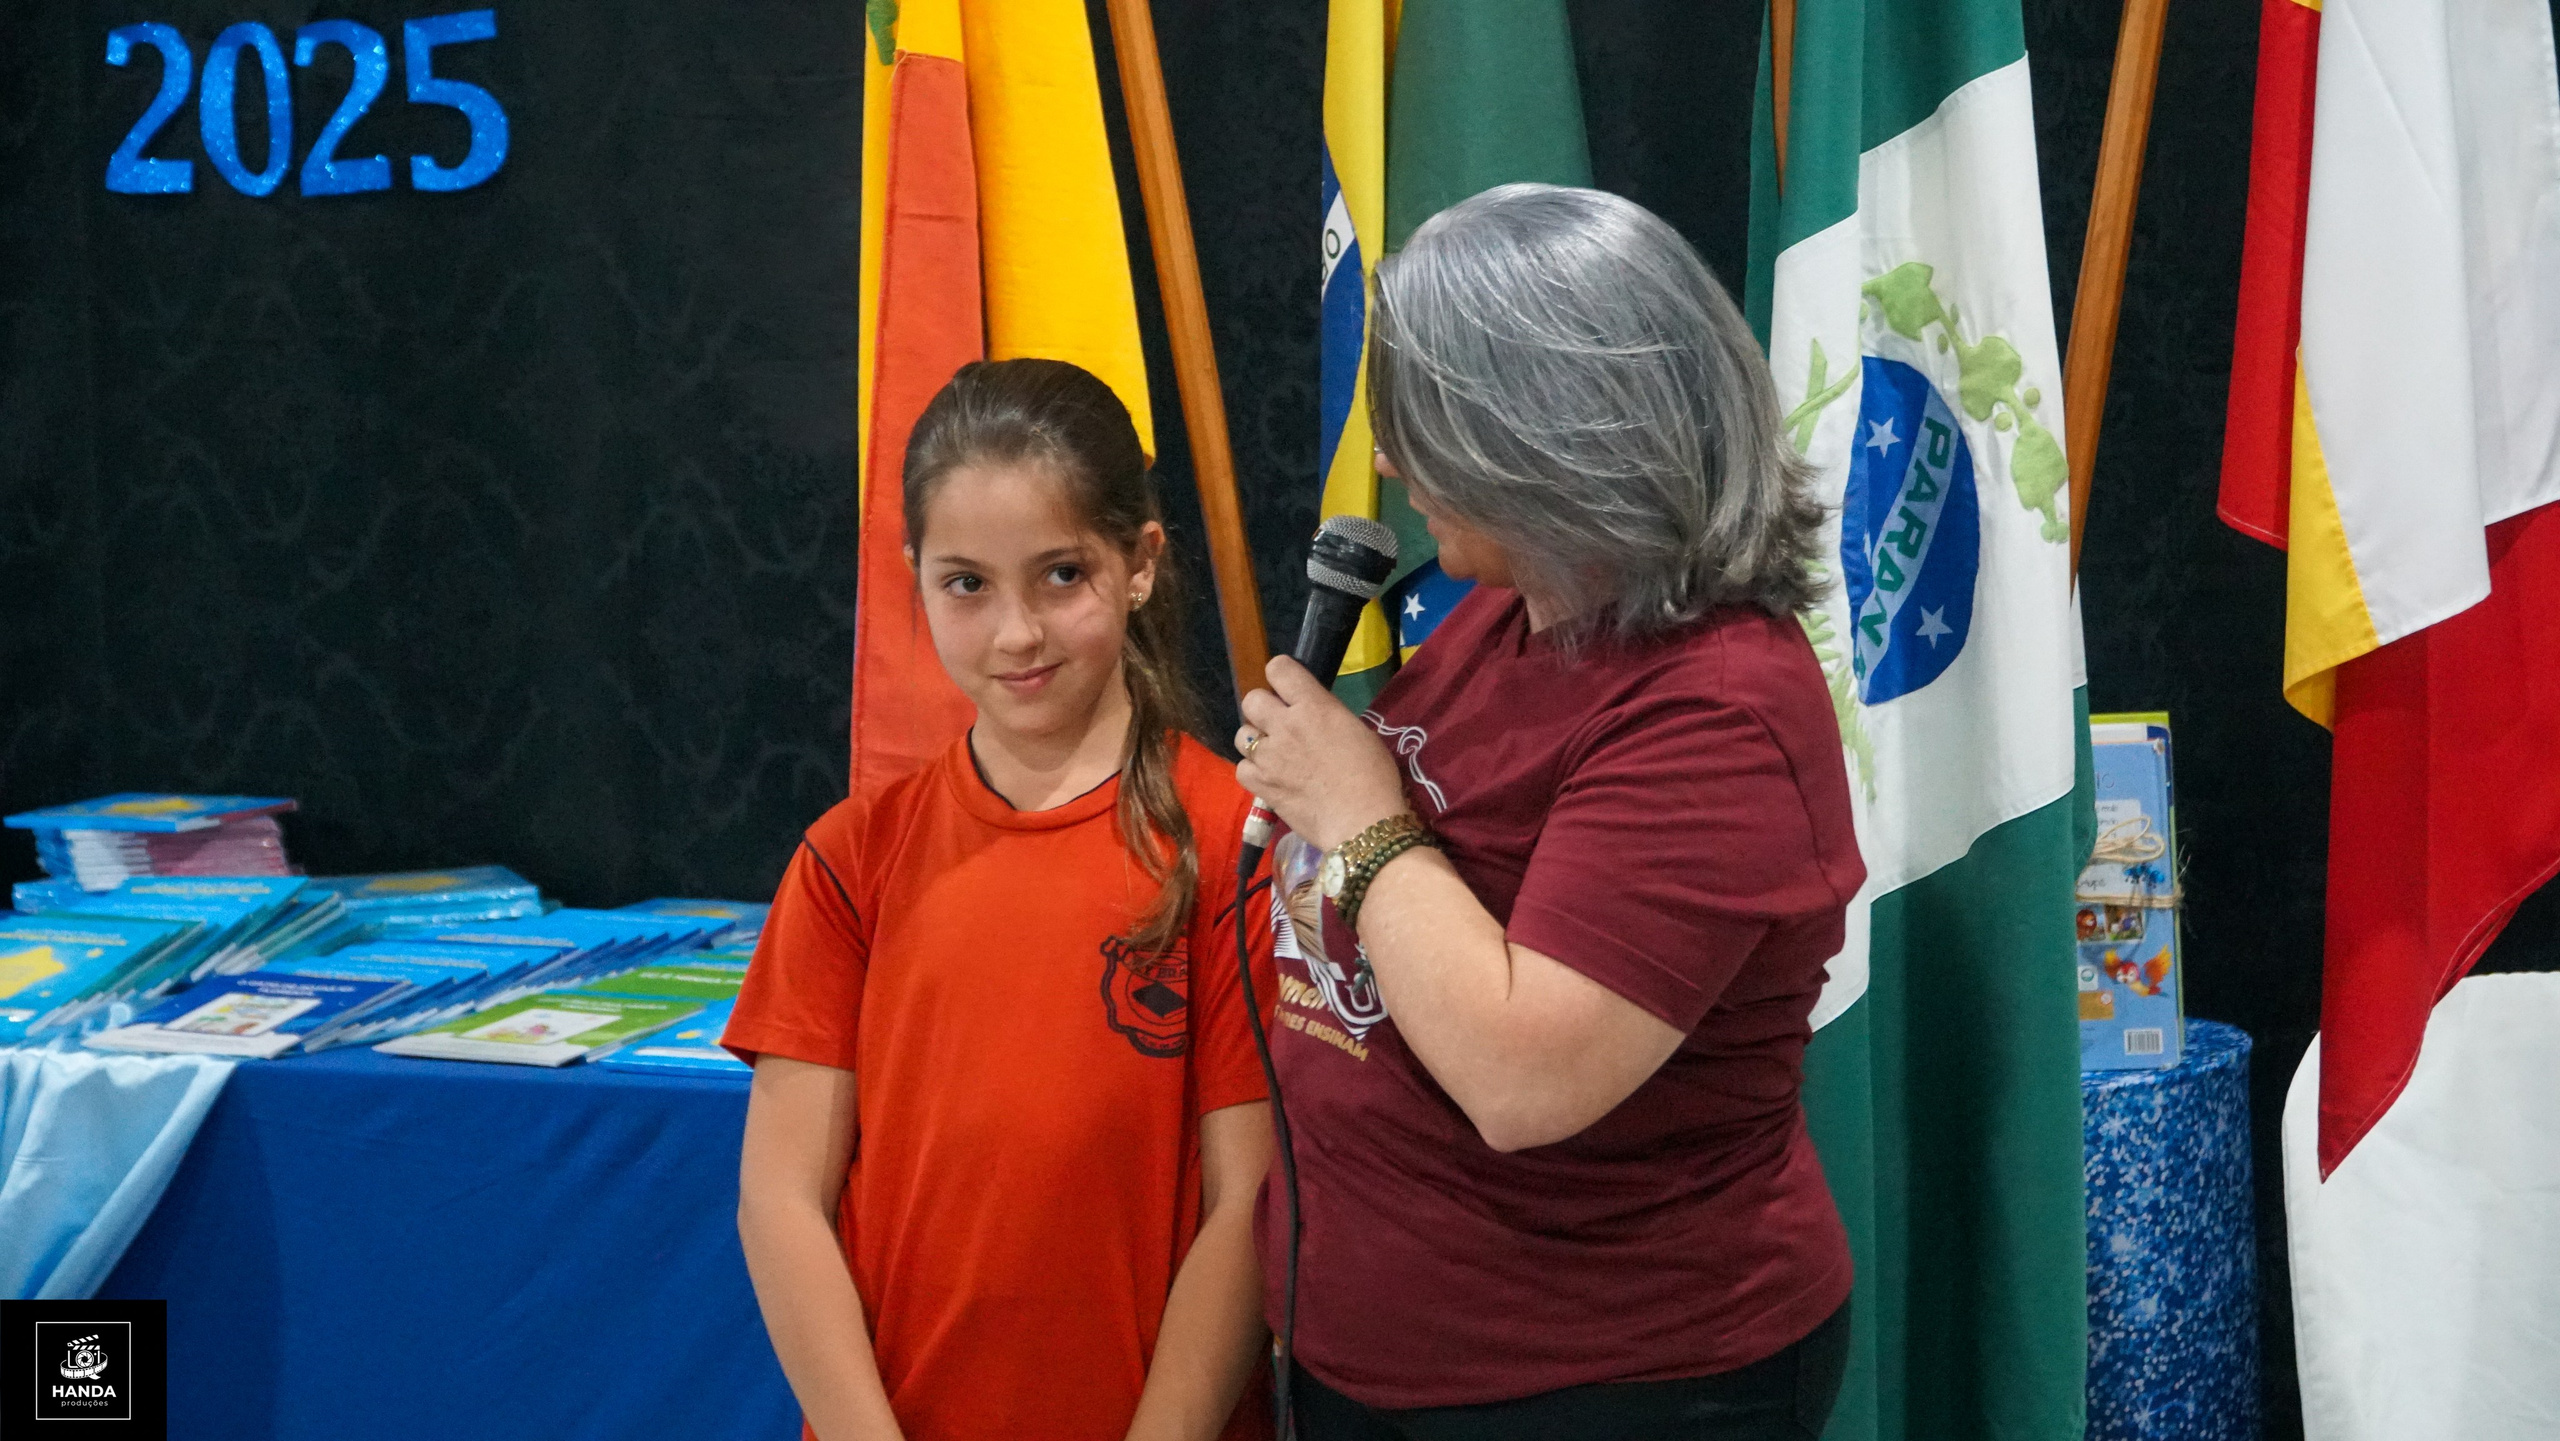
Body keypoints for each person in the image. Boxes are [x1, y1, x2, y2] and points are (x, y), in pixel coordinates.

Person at [1233, 184, 1866, 1440]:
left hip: (1607, 1385)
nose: (1395, 464)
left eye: (1424, 428)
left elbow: (1525, 1080)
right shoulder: (1524, 604)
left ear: (1540, 439)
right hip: (1373, 1351)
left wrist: (1360, 814)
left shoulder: (1716, 708)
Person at [728, 358, 1277, 1441]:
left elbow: (1247, 1207)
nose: (1015, 633)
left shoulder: (1235, 844)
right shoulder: (853, 859)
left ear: (1141, 563)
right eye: (966, 583)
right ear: (914, 577)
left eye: (1060, 574)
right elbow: (781, 1199)